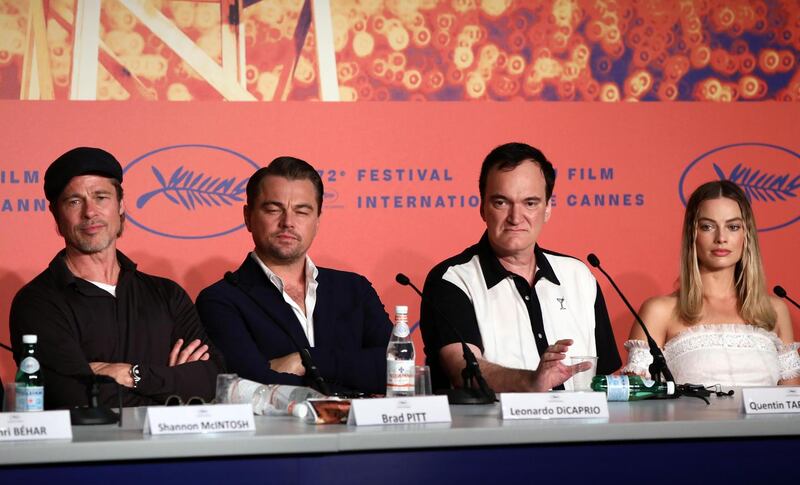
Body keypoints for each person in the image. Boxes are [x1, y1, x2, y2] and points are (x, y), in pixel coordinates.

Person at [9, 147, 224, 409]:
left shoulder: (166, 294)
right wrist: (171, 385)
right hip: (86, 450)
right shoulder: (38, 303)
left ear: (120, 205)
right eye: (74, 201)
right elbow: (77, 398)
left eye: (101, 197)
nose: (90, 212)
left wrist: (132, 374)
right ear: (55, 214)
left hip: (173, 448)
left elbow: (211, 380)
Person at [421, 142, 621, 393]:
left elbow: (603, 377)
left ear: (548, 208)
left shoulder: (579, 275)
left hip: (582, 429)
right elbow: (464, 370)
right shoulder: (452, 280)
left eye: (530, 203)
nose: (516, 218)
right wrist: (531, 381)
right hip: (494, 431)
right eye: (501, 202)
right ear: (482, 207)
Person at [197, 157, 392, 395]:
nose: (287, 222)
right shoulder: (220, 300)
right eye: (273, 209)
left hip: (360, 431)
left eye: (302, 211)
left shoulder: (354, 289)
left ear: (317, 221)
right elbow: (250, 385)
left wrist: (305, 360)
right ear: (248, 217)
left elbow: (396, 370)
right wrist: (352, 385)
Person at [623, 180, 800, 387]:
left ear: (747, 235)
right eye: (707, 227)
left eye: (733, 227)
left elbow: (791, 402)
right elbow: (636, 401)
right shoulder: (659, 311)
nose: (721, 238)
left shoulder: (775, 310)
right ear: (692, 235)